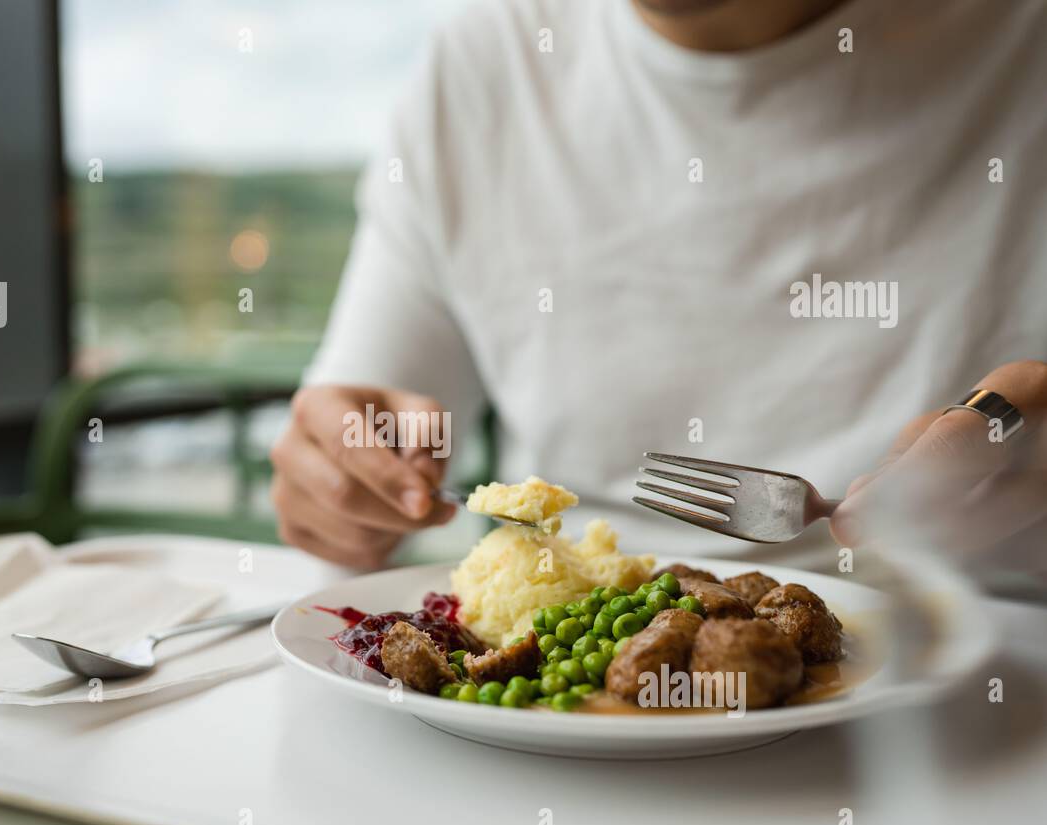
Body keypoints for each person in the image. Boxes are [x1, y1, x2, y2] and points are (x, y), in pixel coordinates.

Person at [270, 0, 1047, 578]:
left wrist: (1017, 423)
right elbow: (353, 454)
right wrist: (346, 489)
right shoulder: (487, 58)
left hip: (979, 710)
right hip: (556, 730)